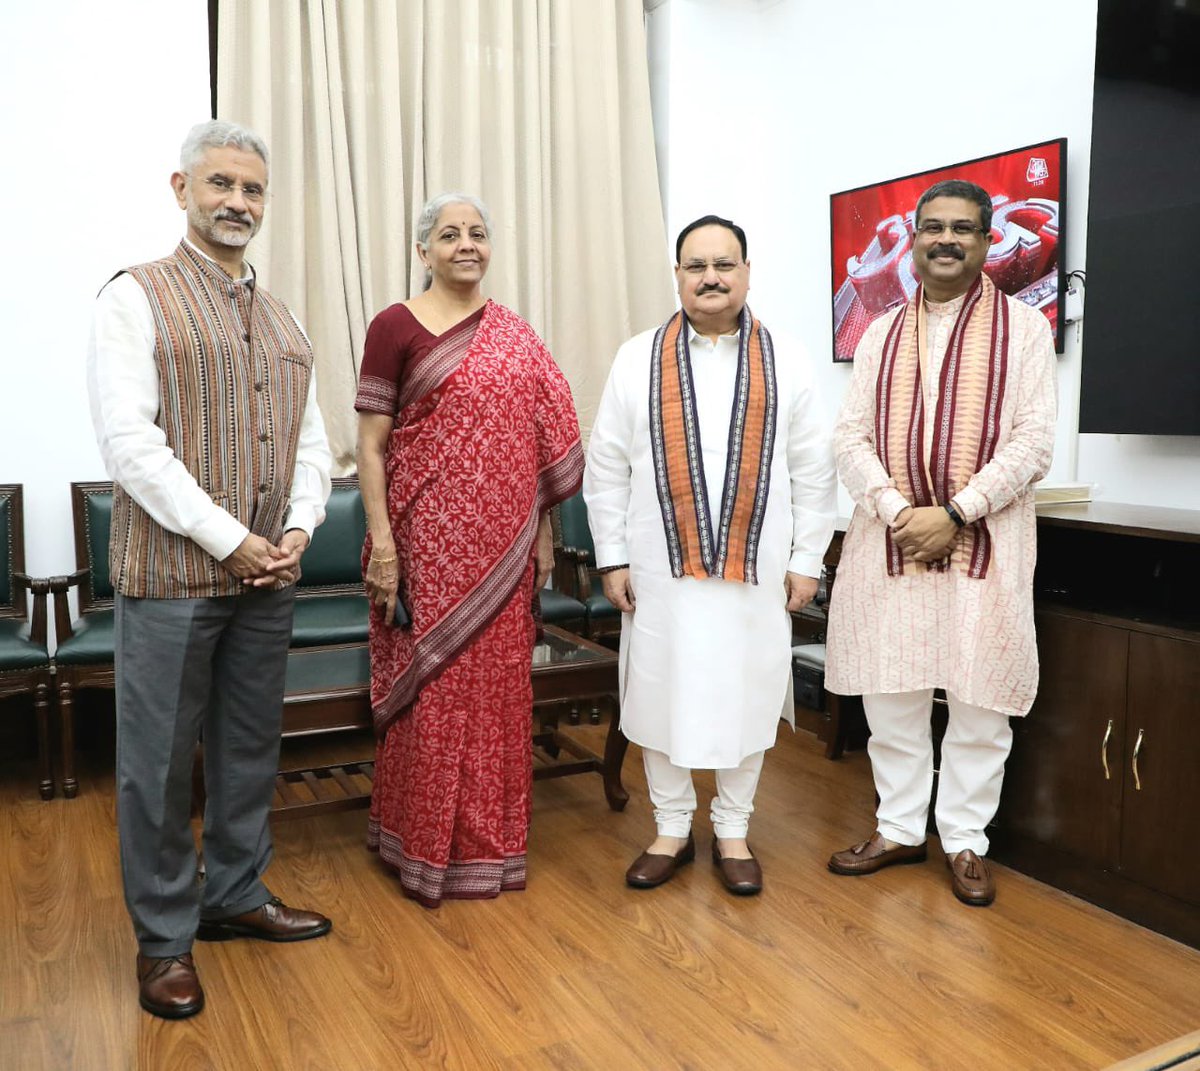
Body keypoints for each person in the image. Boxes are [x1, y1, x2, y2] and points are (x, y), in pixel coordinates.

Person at [87, 120, 334, 1020]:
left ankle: (234, 894)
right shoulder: (134, 298)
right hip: (172, 579)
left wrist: (303, 523)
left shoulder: (285, 315)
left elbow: (312, 439)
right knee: (156, 767)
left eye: (253, 189)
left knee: (245, 751)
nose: (238, 201)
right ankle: (162, 941)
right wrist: (228, 535)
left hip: (269, 577)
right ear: (181, 187)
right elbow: (131, 447)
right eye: (221, 183)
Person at [584, 215, 837, 895]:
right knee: (661, 693)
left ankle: (732, 828)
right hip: (659, 572)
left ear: (747, 272)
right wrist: (611, 557)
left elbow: (815, 468)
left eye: (723, 264)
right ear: (677, 277)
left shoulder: (787, 355)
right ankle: (670, 827)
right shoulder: (637, 356)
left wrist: (808, 558)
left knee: (747, 694)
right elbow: (606, 466)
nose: (711, 277)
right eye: (695, 266)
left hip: (757, 572)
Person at [824, 179, 1057, 906]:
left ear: (989, 242)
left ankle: (964, 838)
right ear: (914, 239)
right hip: (892, 539)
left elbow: (1034, 442)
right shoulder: (879, 333)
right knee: (892, 692)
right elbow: (849, 437)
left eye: (963, 228)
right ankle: (899, 828)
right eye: (933, 227)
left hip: (983, 539)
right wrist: (902, 511)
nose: (946, 239)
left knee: (979, 698)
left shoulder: (1025, 329)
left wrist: (954, 512)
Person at [355, 193, 583, 908]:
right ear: (423, 250)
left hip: (506, 550)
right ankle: (419, 845)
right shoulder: (393, 326)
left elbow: (540, 444)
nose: (466, 245)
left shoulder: (514, 332)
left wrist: (542, 534)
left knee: (497, 698)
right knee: (433, 693)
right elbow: (370, 447)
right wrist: (385, 550)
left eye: (478, 233)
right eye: (449, 234)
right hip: (422, 544)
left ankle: (490, 847)